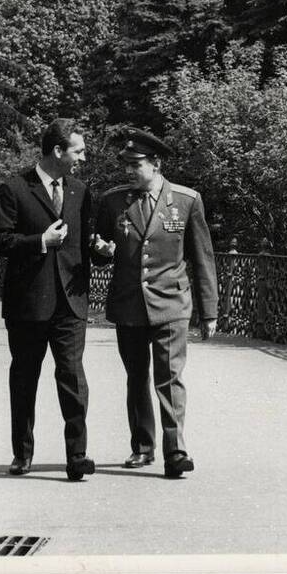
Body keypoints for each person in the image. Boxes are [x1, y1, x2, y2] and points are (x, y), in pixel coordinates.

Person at [92, 128, 218, 478]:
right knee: (136, 377)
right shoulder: (113, 201)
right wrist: (100, 251)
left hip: (172, 304)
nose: (129, 171)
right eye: (126, 165)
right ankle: (142, 447)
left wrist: (209, 312)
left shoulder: (186, 200)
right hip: (129, 304)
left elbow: (202, 258)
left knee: (170, 378)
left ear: (156, 164)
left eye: (136, 164)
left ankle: (176, 452)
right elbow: (100, 250)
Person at [0, 118, 101, 481]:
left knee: (73, 377)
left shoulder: (81, 192)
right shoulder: (15, 188)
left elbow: (85, 245)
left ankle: (77, 456)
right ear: (58, 151)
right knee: (25, 379)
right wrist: (38, 242)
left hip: (70, 303)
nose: (83, 157)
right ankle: (22, 454)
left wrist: (103, 252)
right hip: (28, 305)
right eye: (78, 151)